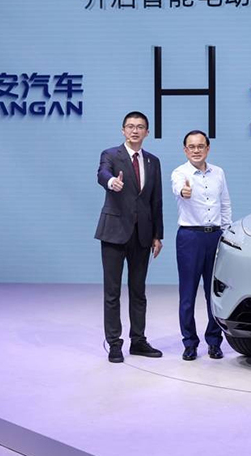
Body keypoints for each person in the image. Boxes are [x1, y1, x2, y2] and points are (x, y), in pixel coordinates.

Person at [95, 111, 164, 363]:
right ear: (123, 130)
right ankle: (114, 343)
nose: (135, 130)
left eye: (140, 127)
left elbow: (156, 200)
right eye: (131, 126)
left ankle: (138, 341)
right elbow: (102, 174)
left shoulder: (153, 161)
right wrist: (111, 182)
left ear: (147, 132)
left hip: (142, 235)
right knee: (112, 292)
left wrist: (157, 235)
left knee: (138, 291)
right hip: (114, 232)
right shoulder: (111, 155)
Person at [170, 130, 232, 361]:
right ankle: (189, 343)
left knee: (213, 293)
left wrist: (226, 233)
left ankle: (214, 341)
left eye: (200, 146)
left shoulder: (219, 173)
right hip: (190, 237)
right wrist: (184, 191)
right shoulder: (180, 173)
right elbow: (179, 188)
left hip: (215, 237)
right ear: (185, 150)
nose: (196, 150)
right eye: (191, 147)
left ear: (208, 148)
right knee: (187, 293)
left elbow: (225, 204)